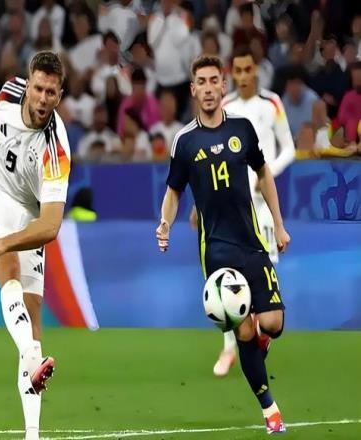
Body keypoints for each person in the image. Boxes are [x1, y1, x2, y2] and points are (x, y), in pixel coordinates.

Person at [156, 55, 289, 434]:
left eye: (214, 80)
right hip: (216, 252)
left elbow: (263, 172)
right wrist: (165, 223)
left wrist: (279, 225)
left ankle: (259, 343)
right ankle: (270, 410)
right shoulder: (185, 141)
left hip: (252, 242)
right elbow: (174, 191)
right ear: (193, 90)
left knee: (273, 324)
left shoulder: (242, 129)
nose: (209, 88)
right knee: (243, 332)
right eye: (201, 82)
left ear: (223, 86)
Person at [0, 51, 70, 440]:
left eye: (51, 93)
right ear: (28, 85)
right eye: (38, 89)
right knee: (6, 266)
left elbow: (51, 225)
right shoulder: (10, 92)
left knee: (33, 314)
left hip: (29, 215)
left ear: (60, 95)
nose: (43, 99)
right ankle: (30, 356)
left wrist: (8, 239)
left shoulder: (56, 150)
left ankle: (32, 433)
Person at [210, 45, 294, 377]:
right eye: (238, 71)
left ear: (256, 70)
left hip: (264, 208)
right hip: (233, 208)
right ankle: (230, 348)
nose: (244, 76)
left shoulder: (271, 103)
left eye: (248, 70)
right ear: (232, 74)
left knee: (262, 276)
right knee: (229, 278)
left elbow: (289, 148)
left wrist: (267, 173)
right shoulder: (226, 107)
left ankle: (259, 336)